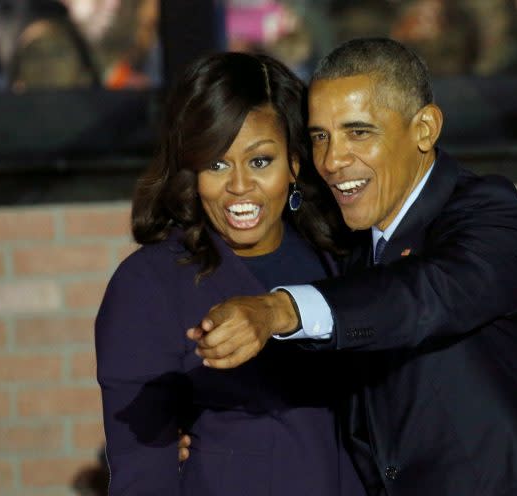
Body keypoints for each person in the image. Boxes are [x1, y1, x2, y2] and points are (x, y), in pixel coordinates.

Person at [186, 38, 517, 495]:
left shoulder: (489, 214)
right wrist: (208, 433)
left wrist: (279, 310)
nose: (332, 160)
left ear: (424, 129)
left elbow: (426, 294)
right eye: (320, 136)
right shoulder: (354, 250)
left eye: (358, 132)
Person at [95, 51, 366, 496]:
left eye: (261, 161)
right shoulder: (148, 286)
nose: (239, 186)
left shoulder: (342, 256)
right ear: (192, 171)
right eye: (217, 164)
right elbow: (142, 471)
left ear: (294, 164)